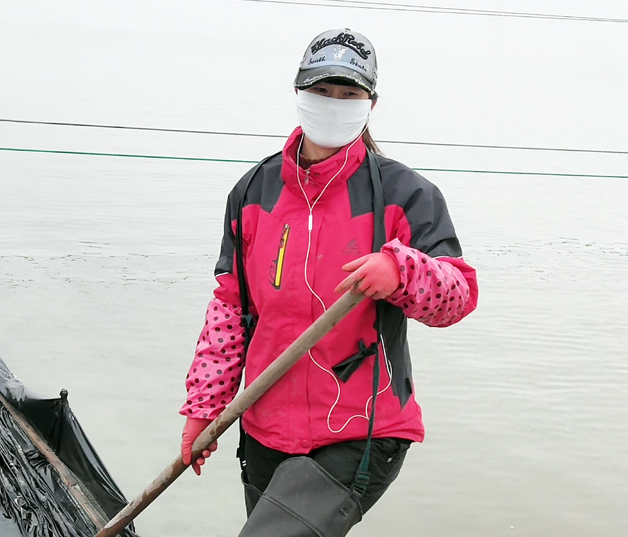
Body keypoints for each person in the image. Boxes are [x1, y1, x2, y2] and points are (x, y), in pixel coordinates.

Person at [179, 28, 479, 535]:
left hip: (361, 430)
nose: (333, 103)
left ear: (370, 104)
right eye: (321, 90)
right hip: (264, 427)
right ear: (299, 94)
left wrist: (402, 271)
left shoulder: (404, 194)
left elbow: (458, 296)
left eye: (348, 93)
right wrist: (204, 409)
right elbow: (230, 310)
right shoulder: (252, 192)